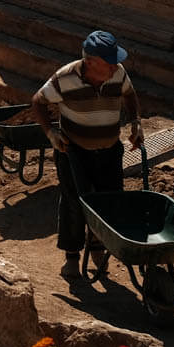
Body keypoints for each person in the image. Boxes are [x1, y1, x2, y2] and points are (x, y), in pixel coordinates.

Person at [31, 29, 144, 279]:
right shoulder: (65, 77)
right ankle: (72, 256)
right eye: (110, 62)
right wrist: (51, 133)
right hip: (73, 152)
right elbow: (37, 102)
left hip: (109, 151)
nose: (116, 67)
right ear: (91, 62)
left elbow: (130, 95)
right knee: (74, 202)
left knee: (108, 200)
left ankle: (98, 250)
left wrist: (136, 122)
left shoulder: (118, 73)